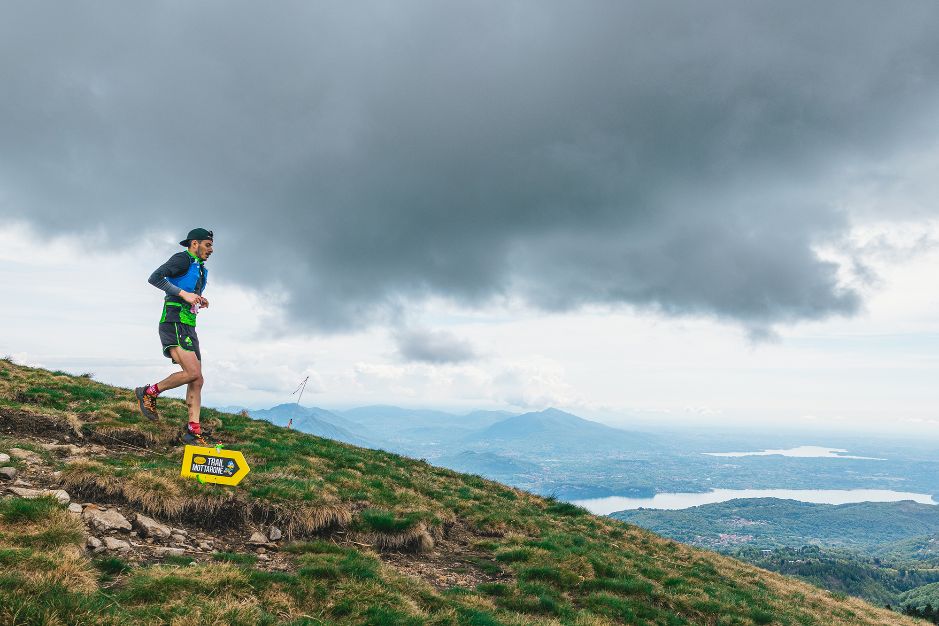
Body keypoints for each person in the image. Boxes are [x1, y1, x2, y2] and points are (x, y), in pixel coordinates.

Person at [135, 228, 213, 444]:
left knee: (198, 378)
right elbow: (155, 278)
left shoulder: (200, 268)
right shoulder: (182, 259)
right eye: (207, 245)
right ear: (194, 243)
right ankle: (149, 392)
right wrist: (183, 294)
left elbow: (185, 290)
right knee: (192, 372)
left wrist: (198, 298)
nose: (211, 249)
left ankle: (193, 430)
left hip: (189, 325)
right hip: (174, 321)